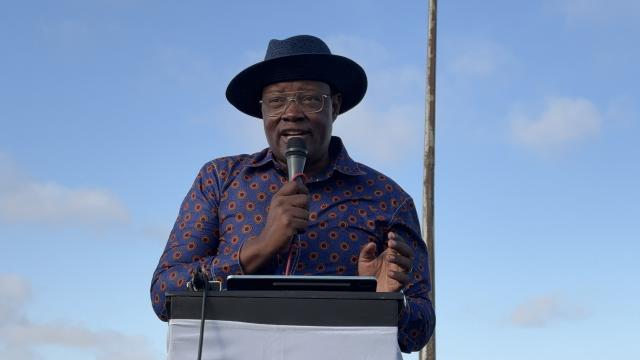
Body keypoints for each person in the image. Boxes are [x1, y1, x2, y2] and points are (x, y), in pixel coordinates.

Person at [150, 34, 435, 352]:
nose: (292, 112)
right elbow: (163, 294)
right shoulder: (219, 179)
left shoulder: (389, 199)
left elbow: (418, 332)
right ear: (263, 112)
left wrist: (386, 301)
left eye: (310, 99)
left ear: (335, 107)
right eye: (276, 101)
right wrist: (257, 249)